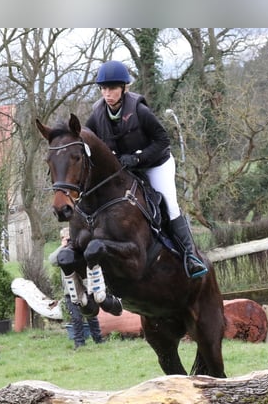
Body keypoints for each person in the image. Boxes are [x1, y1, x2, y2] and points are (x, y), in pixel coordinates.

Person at [85, 59, 208, 279]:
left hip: (156, 164)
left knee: (170, 205)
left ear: (124, 88)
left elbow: (163, 140)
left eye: (112, 88)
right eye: (103, 88)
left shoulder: (139, 110)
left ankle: (191, 256)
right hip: (124, 169)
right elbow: (87, 141)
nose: (107, 93)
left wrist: (138, 159)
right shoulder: (97, 114)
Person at [49, 227, 105, 349]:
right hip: (70, 291)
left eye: (70, 237)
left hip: (85, 288)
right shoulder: (62, 254)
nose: (69, 240)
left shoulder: (79, 250)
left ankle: (98, 339)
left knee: (91, 315)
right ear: (61, 239)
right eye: (66, 238)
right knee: (76, 318)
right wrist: (62, 247)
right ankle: (79, 343)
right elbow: (52, 261)